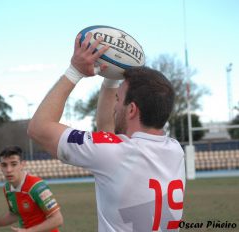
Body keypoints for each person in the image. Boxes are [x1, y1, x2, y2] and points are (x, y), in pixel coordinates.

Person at [28, 33, 186, 231]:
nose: (114, 107)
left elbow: (38, 127)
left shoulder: (116, 152)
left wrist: (74, 71)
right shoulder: (175, 150)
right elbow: (108, 132)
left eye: (118, 100)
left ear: (131, 110)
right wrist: (111, 79)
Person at [0, 146, 63, 232]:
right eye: (4, 165)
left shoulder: (36, 187)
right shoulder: (7, 188)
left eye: (13, 164)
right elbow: (14, 214)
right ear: (0, 166)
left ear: (22, 165)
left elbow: (58, 219)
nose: (8, 170)